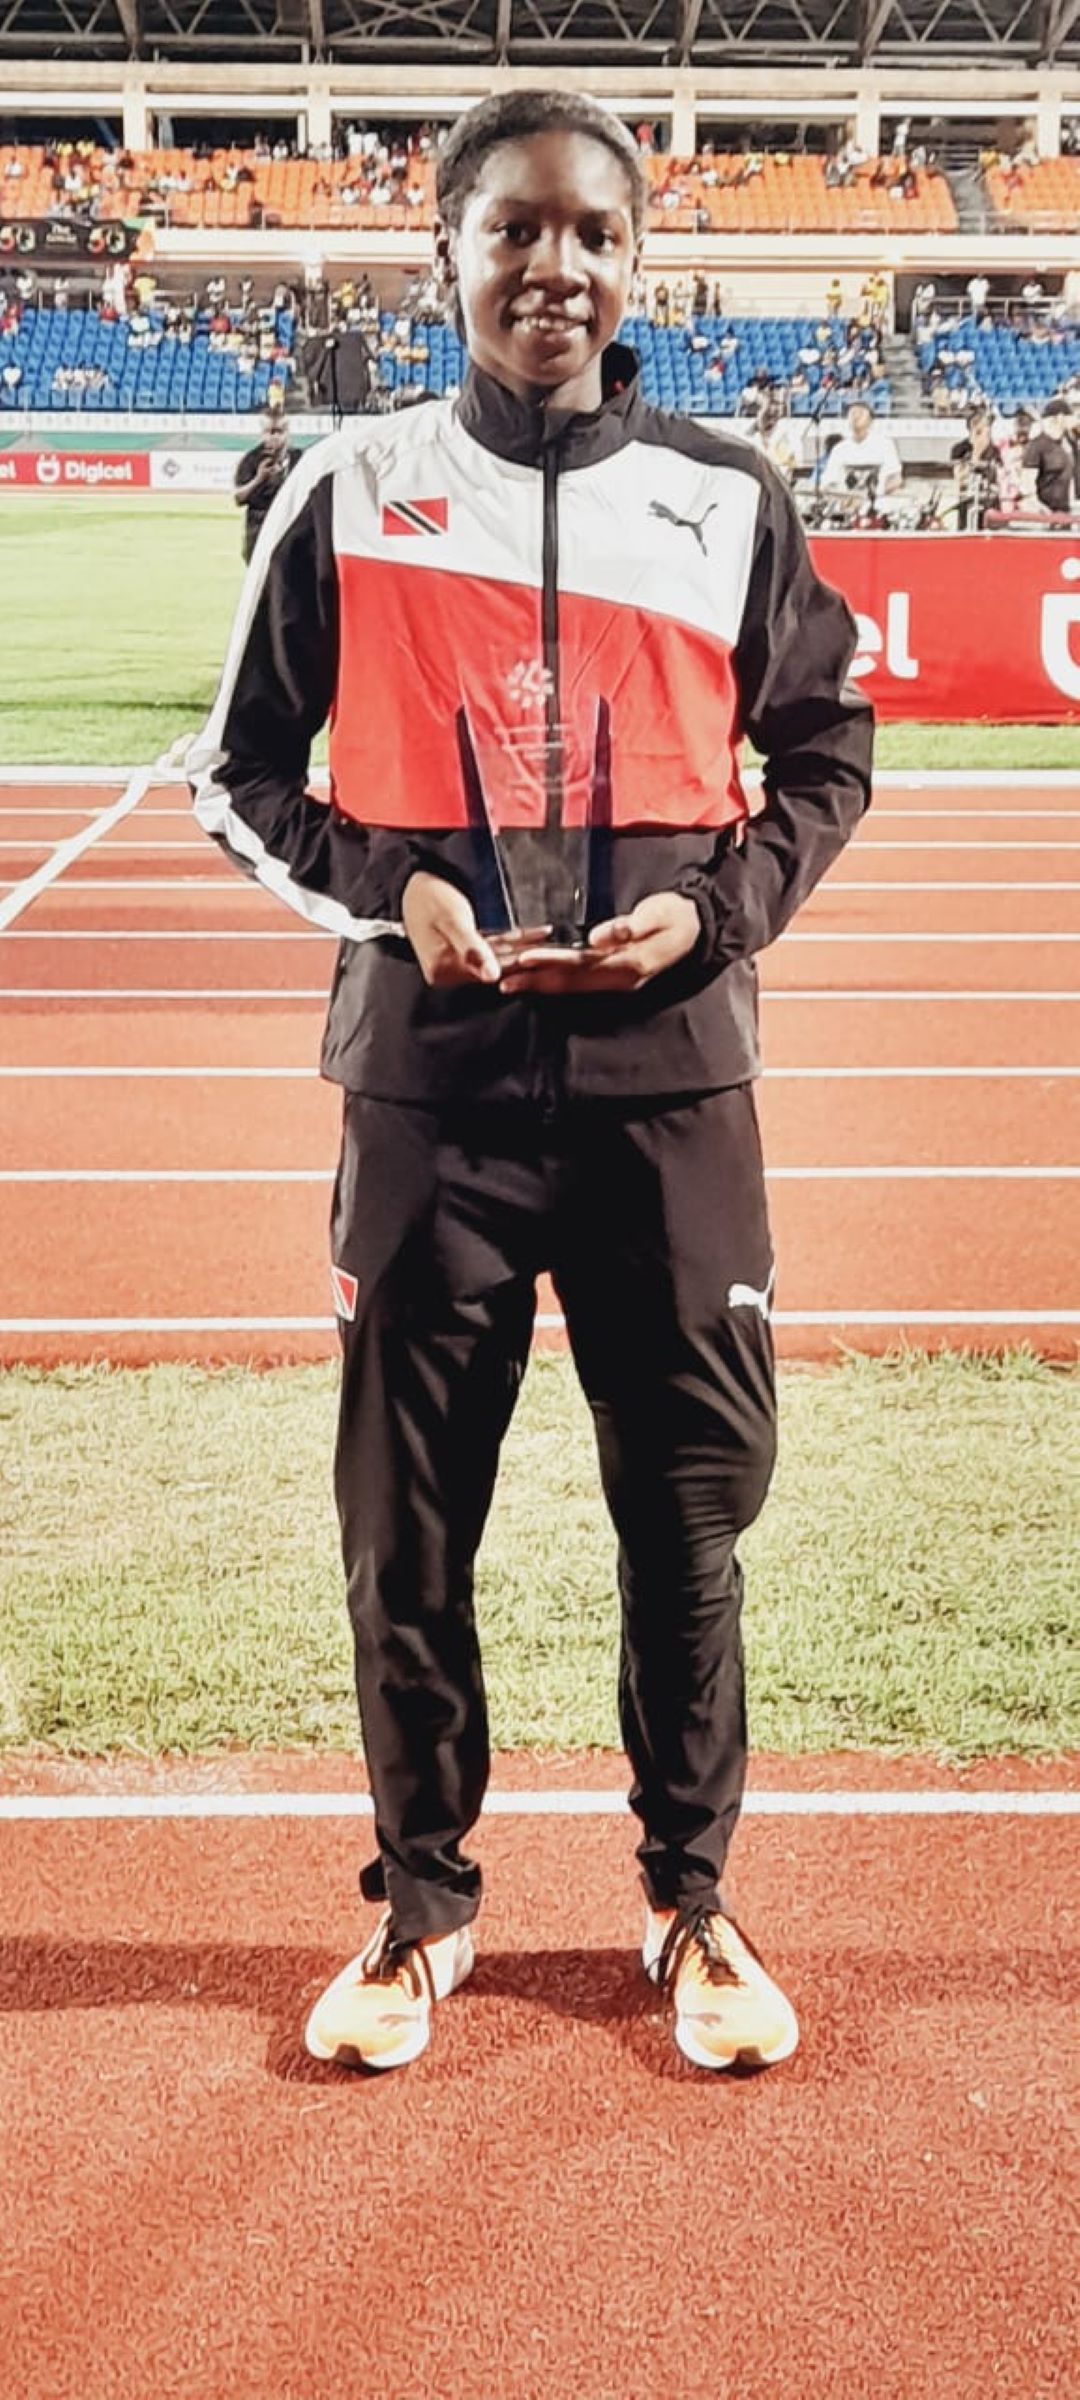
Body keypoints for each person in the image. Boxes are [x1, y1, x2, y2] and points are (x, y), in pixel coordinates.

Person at [188, 87, 872, 2079]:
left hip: (673, 1088)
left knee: (691, 1514)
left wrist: (723, 912)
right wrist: (376, 885)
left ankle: (691, 1903)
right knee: (408, 1522)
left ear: (639, 260)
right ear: (453, 255)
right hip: (431, 1095)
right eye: (515, 232)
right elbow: (240, 779)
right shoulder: (350, 488)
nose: (552, 267)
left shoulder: (730, 495)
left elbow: (825, 761)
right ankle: (420, 1909)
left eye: (590, 234)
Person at [232, 408, 299, 562]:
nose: (274, 437)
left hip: (290, 534)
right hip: (258, 533)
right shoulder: (250, 460)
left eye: (279, 431)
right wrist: (259, 479)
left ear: (287, 432)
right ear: (262, 433)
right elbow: (238, 498)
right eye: (269, 432)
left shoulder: (300, 459)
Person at [820, 398, 902, 507]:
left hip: (877, 506)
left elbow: (896, 478)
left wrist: (876, 494)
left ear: (870, 420)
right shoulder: (839, 449)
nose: (856, 417)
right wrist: (843, 498)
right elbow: (828, 483)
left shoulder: (885, 445)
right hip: (846, 507)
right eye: (852, 413)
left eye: (860, 413)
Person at [1022, 396, 1078, 516]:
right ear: (1060, 417)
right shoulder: (1036, 446)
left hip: (1067, 512)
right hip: (1046, 513)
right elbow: (1027, 485)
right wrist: (1038, 507)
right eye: (1071, 417)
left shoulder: (1069, 443)